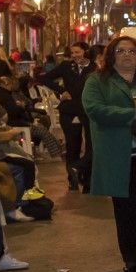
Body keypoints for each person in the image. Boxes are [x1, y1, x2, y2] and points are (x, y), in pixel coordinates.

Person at [84, 35, 136, 272]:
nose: (127, 55)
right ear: (111, 55)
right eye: (121, 51)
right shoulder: (97, 81)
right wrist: (132, 116)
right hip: (118, 156)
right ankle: (132, 258)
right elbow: (95, 109)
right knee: (126, 212)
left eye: (132, 51)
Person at [40, 42, 91, 191]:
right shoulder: (66, 66)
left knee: (91, 144)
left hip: (88, 110)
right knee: (72, 144)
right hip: (69, 110)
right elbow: (45, 78)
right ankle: (72, 179)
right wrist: (61, 91)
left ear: (85, 51)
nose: (75, 55)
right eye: (73, 53)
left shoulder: (93, 67)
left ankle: (87, 179)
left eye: (78, 52)